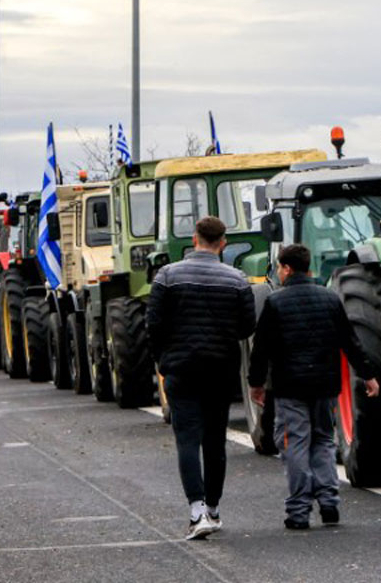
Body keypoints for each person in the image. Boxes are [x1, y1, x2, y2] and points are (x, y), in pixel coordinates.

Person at [247, 244, 380, 530]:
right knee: (323, 441)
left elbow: (261, 349)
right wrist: (367, 375)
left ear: (286, 269)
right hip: (324, 384)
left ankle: (299, 510)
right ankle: (329, 501)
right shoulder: (329, 299)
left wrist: (256, 384)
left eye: (280, 268)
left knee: (294, 443)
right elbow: (350, 342)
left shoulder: (275, 303)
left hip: (289, 387)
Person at [147, 215, 257, 540]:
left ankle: (196, 511)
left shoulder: (167, 276)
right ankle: (214, 507)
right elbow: (247, 327)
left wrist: (163, 359)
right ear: (223, 243)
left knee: (187, 440)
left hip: (180, 367)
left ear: (194, 239)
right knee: (214, 441)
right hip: (220, 369)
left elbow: (153, 324)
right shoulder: (237, 280)